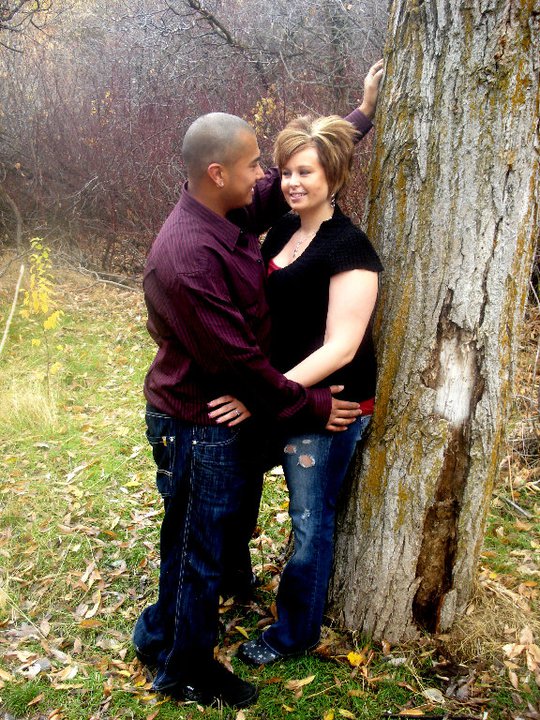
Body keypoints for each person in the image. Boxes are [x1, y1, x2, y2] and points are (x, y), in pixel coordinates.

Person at [132, 61, 384, 709]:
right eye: (256, 167)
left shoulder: (230, 214)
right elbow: (240, 366)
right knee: (198, 546)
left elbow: (308, 171)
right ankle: (186, 668)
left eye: (277, 169)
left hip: (226, 407)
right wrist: (314, 405)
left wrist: (361, 115)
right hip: (200, 416)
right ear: (219, 174)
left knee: (197, 537)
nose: (268, 180)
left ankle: (160, 634)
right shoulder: (191, 254)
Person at [210, 113, 383, 666]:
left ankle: (295, 633)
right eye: (286, 172)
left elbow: (341, 348)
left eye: (305, 172)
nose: (292, 182)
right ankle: (232, 582)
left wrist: (263, 394)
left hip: (329, 405)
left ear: (333, 175)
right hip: (280, 392)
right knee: (234, 483)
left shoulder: (350, 248)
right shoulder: (285, 228)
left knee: (310, 521)